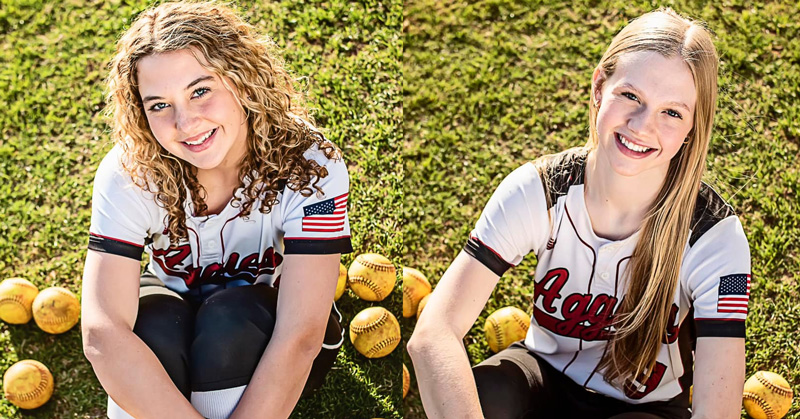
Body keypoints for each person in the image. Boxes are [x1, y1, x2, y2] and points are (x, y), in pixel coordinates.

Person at [408, 8, 749, 419]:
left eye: (672, 112)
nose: (642, 125)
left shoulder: (716, 238)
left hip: (647, 408)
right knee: (488, 396)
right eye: (631, 95)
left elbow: (719, 412)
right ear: (599, 87)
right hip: (542, 375)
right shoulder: (538, 190)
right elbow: (433, 334)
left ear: (694, 126)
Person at [80, 2, 352, 418]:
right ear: (141, 113)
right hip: (175, 315)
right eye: (159, 105)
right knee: (150, 327)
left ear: (241, 80)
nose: (185, 123)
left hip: (263, 329)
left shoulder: (311, 164)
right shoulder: (129, 173)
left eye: (200, 91)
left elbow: (300, 335)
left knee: (229, 318)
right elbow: (103, 333)